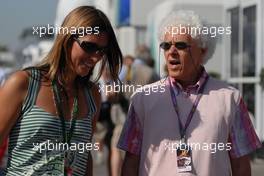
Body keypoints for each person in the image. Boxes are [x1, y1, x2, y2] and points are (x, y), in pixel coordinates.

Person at [117, 10, 261, 176]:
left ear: (203, 51)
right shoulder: (142, 98)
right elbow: (130, 163)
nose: (171, 51)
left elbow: (241, 166)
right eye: (166, 45)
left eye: (180, 45)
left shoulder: (230, 98)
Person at [0, 6, 122, 176]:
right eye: (89, 46)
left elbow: (85, 154)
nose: (95, 58)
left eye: (102, 51)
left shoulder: (92, 94)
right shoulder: (23, 83)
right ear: (66, 39)